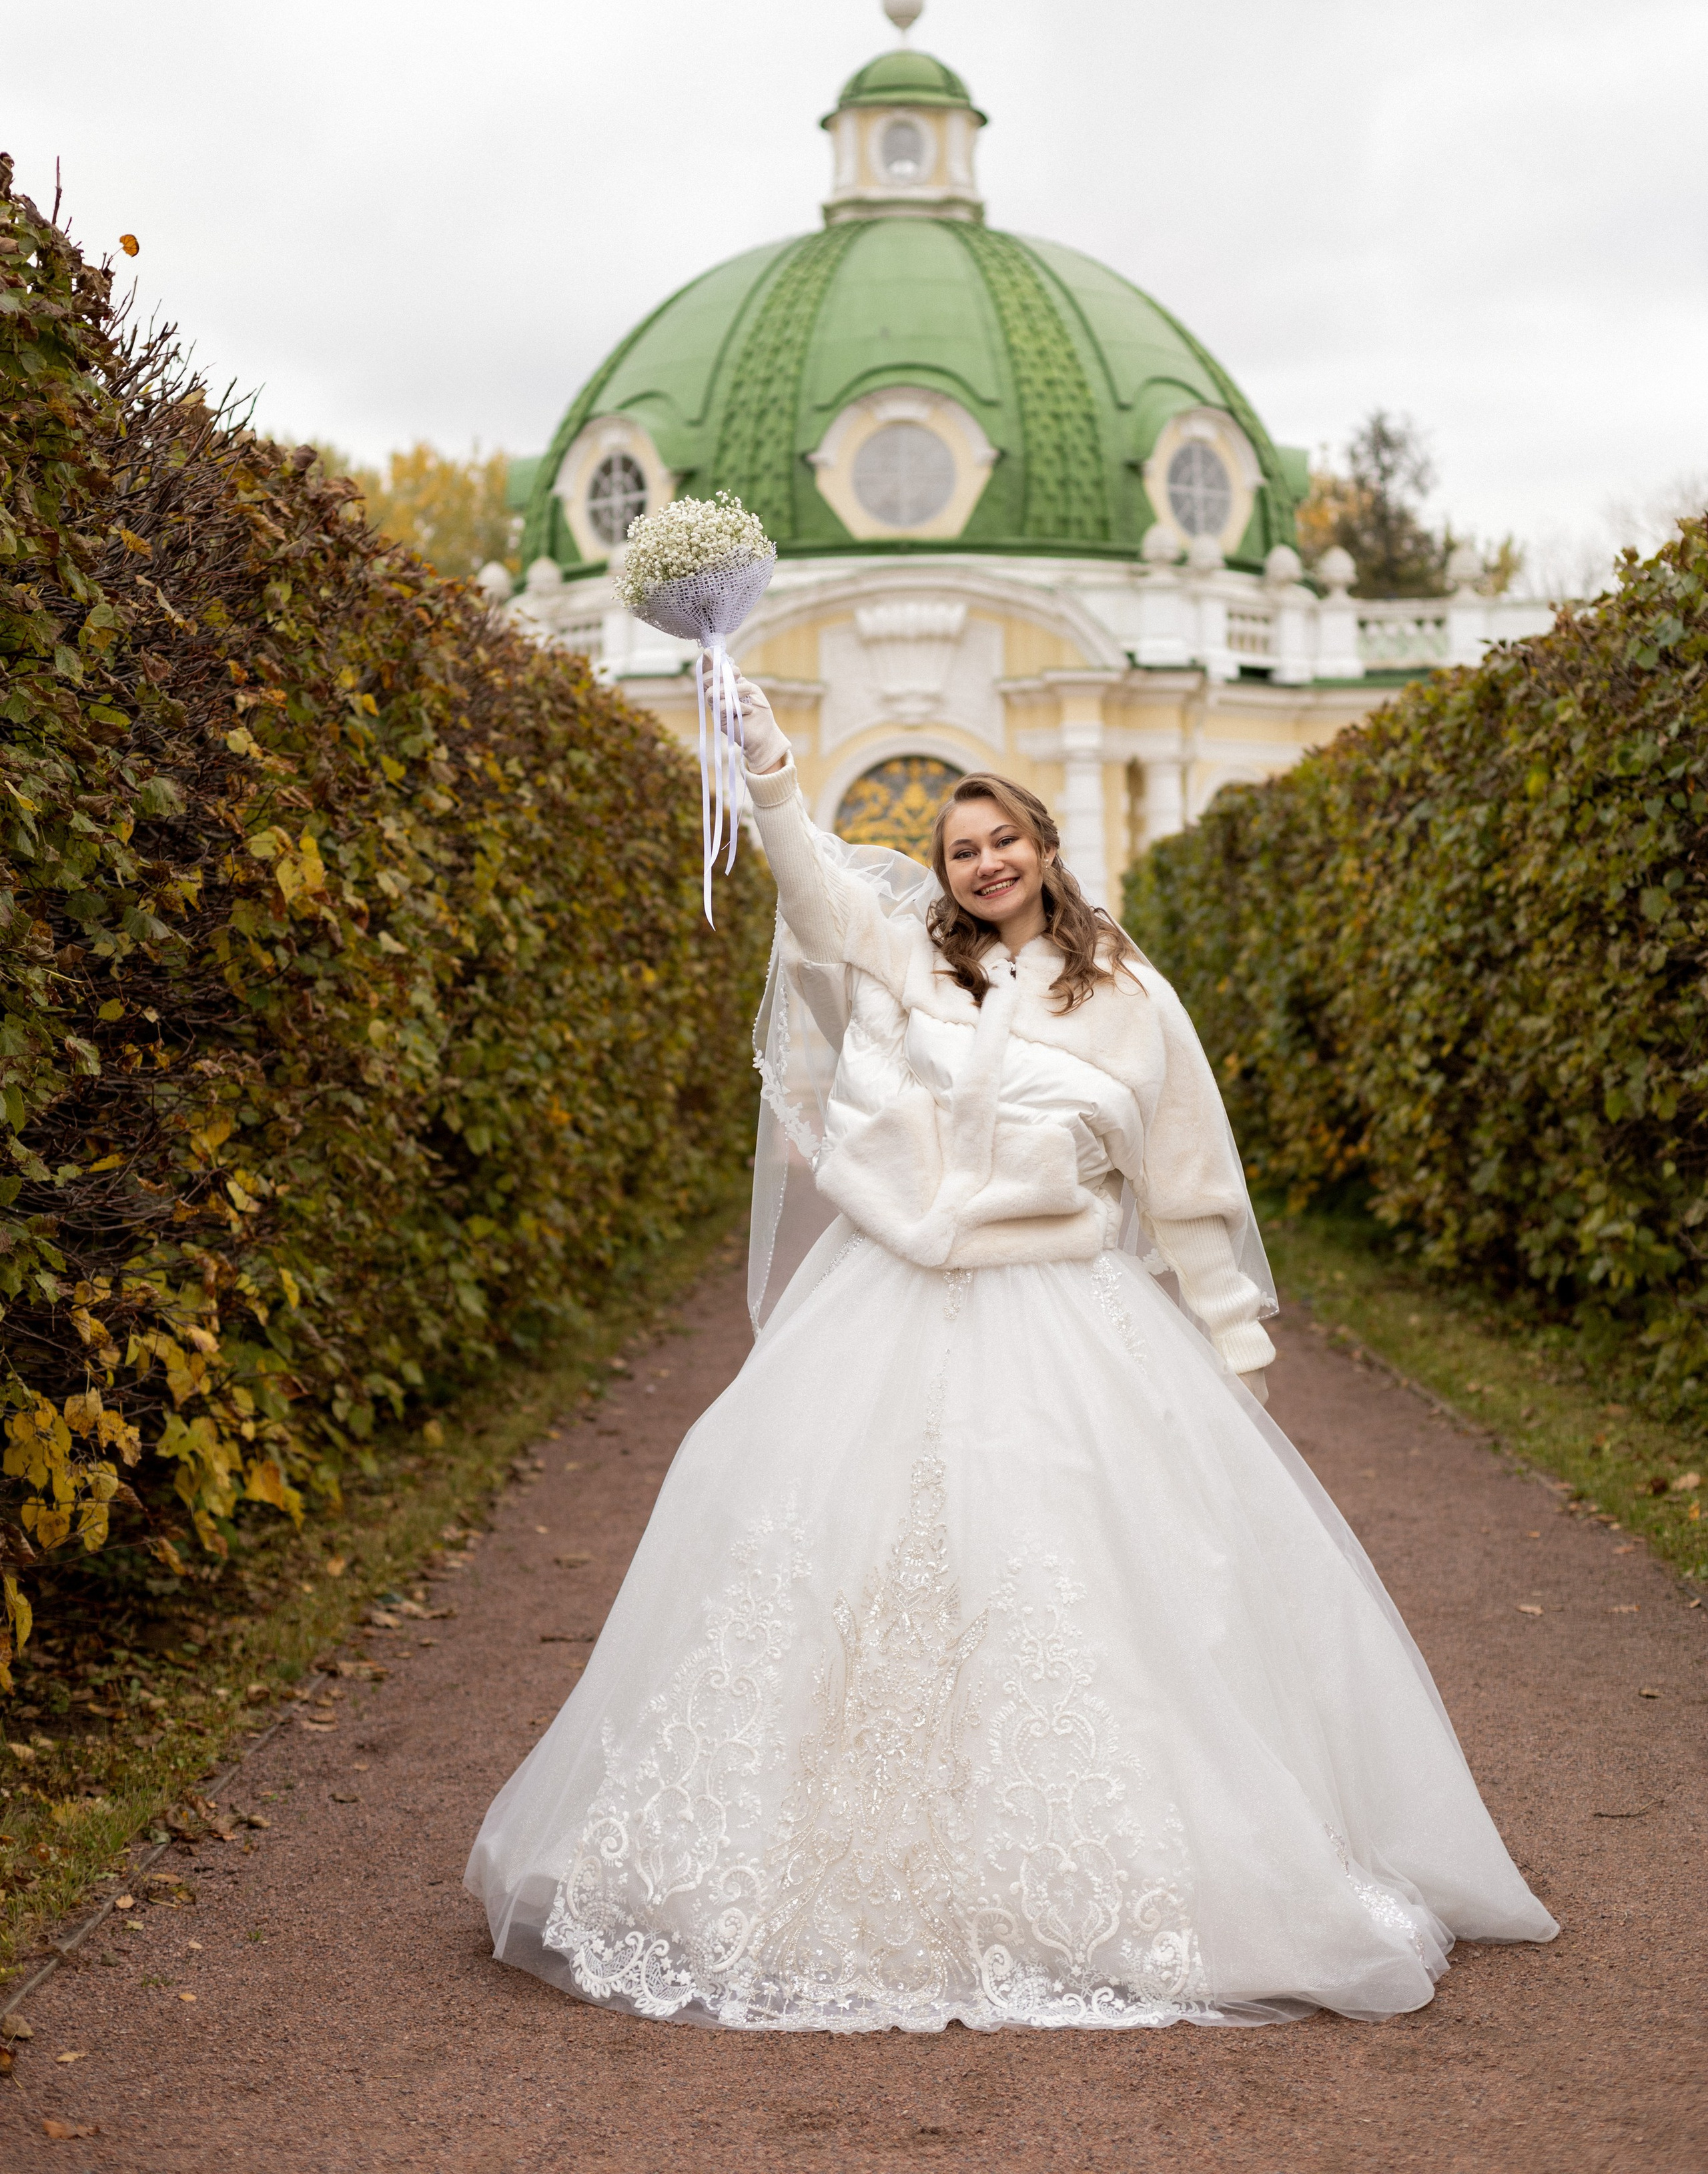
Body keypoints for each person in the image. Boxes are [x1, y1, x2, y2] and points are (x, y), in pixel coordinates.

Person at [465, 669, 1556, 2031]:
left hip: (1061, 1312)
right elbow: (811, 896)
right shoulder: (902, 954)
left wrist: (1224, 1326)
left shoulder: (1127, 994)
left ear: (1044, 853)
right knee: (827, 1553)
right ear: (946, 872)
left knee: (1083, 1571)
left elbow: (1186, 1170)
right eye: (960, 849)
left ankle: (1127, 1866)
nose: (983, 864)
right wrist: (770, 776)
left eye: (1002, 842)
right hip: (882, 1303)